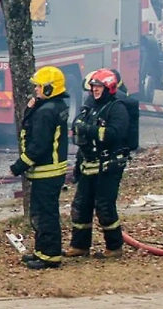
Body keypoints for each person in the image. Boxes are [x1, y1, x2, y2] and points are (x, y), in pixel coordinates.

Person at [9, 66, 70, 270]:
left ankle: (49, 256)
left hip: (46, 172)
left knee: (45, 214)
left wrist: (18, 166)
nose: (36, 89)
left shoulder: (45, 113)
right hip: (51, 171)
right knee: (44, 212)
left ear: (50, 88)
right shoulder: (56, 106)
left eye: (39, 87)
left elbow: (38, 146)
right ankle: (42, 252)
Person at [68, 69, 130, 258]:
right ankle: (80, 246)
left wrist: (88, 129)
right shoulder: (90, 106)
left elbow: (112, 134)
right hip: (88, 163)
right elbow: (81, 130)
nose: (95, 90)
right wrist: (78, 167)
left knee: (104, 206)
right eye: (93, 86)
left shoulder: (117, 108)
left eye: (99, 87)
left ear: (109, 87)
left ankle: (114, 247)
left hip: (109, 166)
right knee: (81, 205)